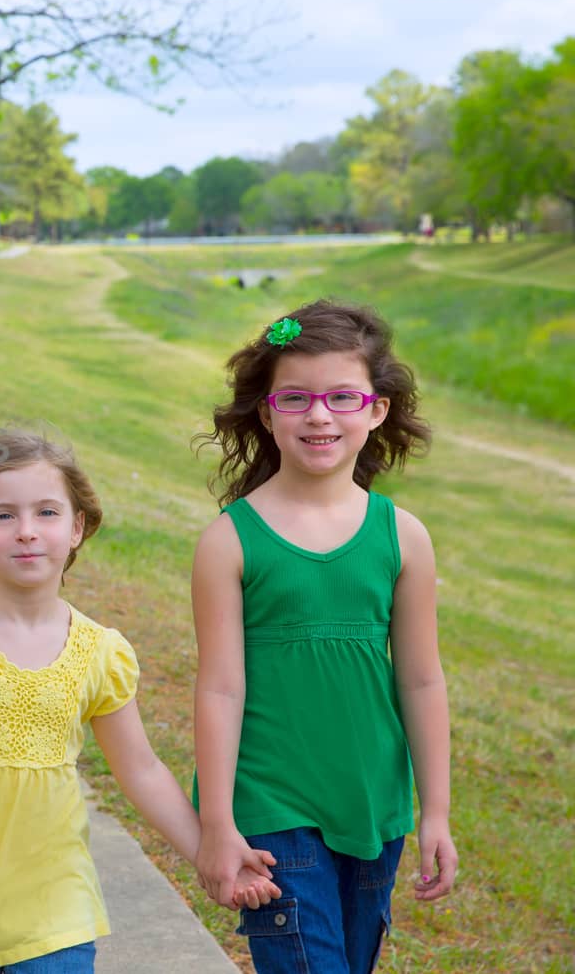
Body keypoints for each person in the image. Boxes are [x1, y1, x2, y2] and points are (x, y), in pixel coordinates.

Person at [0, 431, 280, 974]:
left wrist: (209, 850)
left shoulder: (100, 652)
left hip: (52, 903)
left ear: (76, 528)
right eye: (2, 516)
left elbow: (140, 770)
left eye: (46, 512)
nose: (26, 532)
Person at [191, 301, 456, 973]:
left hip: (372, 807)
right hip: (271, 803)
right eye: (296, 397)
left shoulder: (404, 537)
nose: (319, 415)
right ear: (266, 411)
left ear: (377, 409)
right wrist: (217, 822)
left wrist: (436, 812)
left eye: (342, 396)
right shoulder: (230, 541)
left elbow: (421, 679)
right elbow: (219, 687)